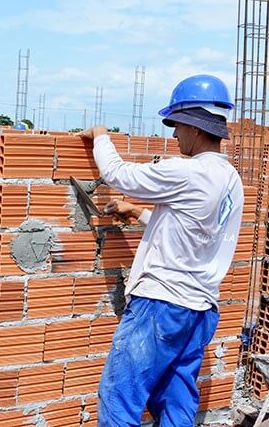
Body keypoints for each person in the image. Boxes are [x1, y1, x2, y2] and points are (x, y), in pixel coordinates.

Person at [76, 74, 244, 426]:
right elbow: (193, 229)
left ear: (196, 128)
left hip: (161, 307)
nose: (173, 135)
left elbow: (118, 174)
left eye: (177, 126)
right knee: (176, 398)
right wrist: (137, 212)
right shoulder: (230, 180)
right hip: (199, 310)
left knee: (120, 397)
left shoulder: (189, 172)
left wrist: (101, 135)